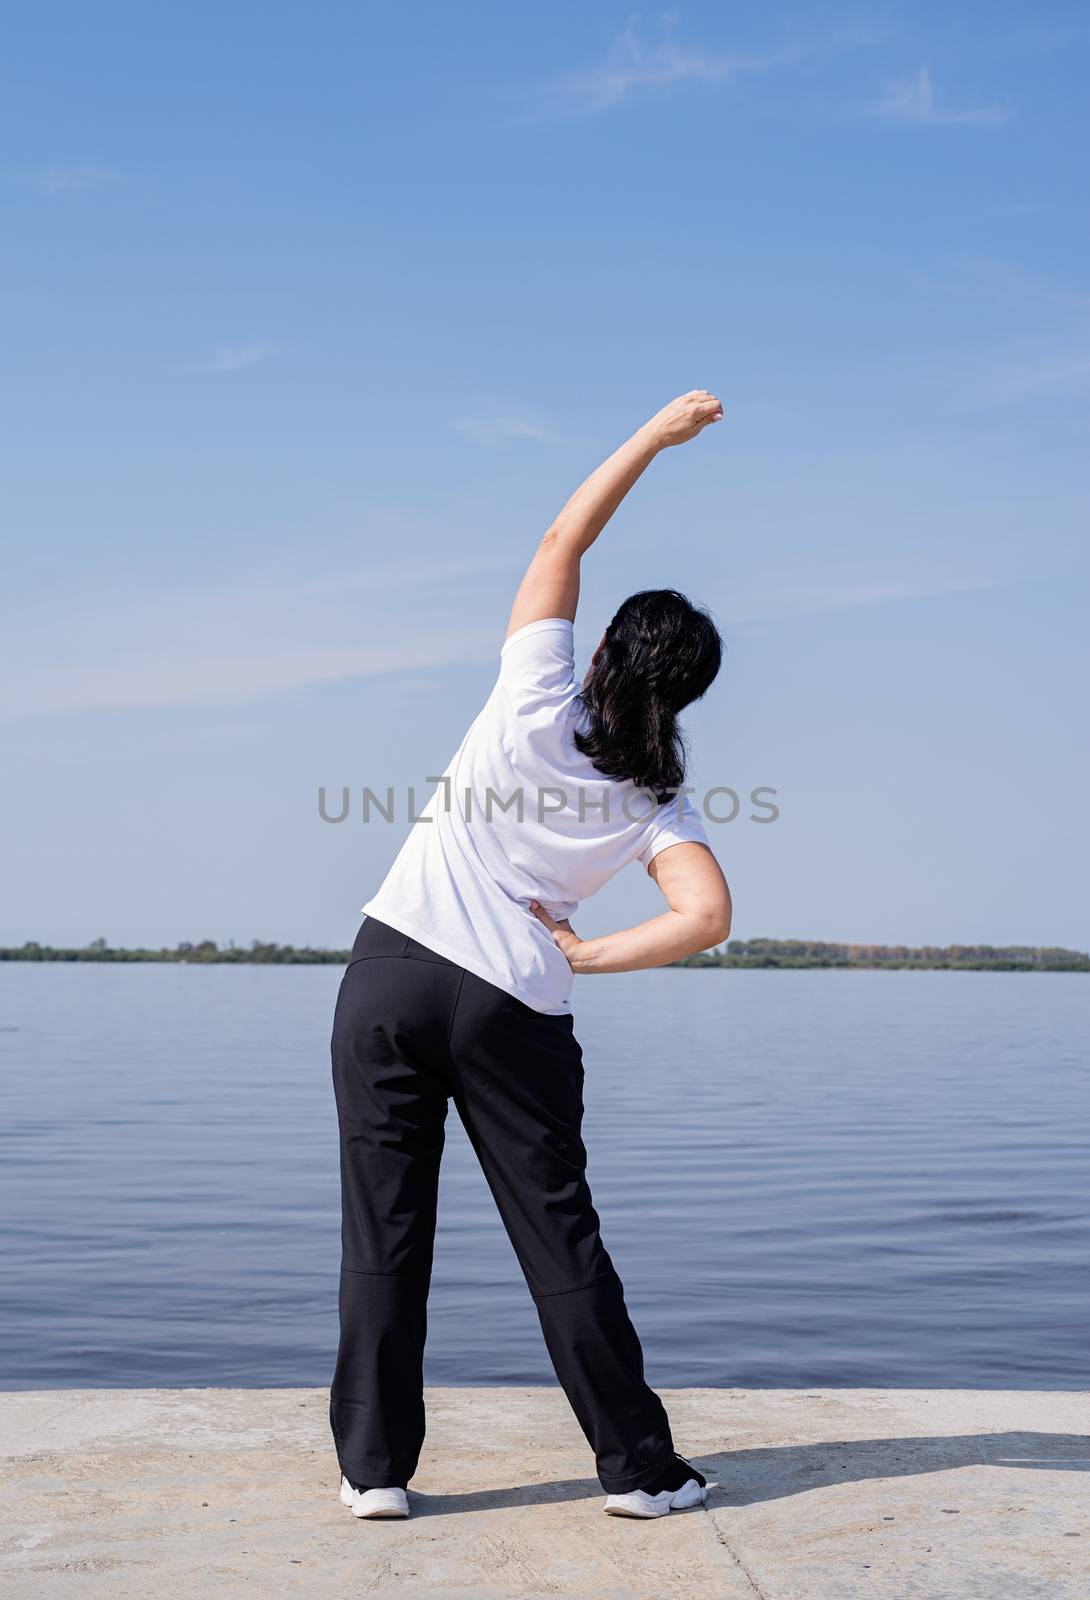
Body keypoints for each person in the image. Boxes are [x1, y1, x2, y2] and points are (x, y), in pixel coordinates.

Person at [330, 390, 732, 1522]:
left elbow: (563, 538)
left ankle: (374, 1474)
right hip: (516, 1005)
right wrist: (589, 955)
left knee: (384, 1233)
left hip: (391, 975)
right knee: (560, 1239)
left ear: (602, 647)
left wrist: (654, 437)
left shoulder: (529, 695)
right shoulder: (658, 798)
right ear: (686, 695)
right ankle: (639, 1474)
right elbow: (706, 918)